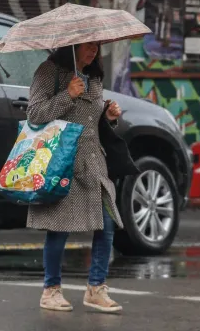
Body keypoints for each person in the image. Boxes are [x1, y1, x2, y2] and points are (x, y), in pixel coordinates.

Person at [26, 42, 125, 313]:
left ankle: (96, 288)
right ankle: (51, 290)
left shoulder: (93, 77)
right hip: (62, 162)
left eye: (97, 46)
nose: (93, 51)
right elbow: (33, 114)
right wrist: (66, 95)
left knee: (106, 225)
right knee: (59, 227)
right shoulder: (50, 72)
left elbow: (91, 120)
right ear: (72, 45)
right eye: (87, 46)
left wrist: (108, 116)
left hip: (93, 162)